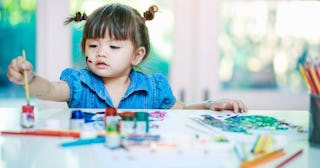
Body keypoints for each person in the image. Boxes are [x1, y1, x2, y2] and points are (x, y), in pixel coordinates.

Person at [7, 3, 247, 113]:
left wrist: (209, 105)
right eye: (93, 45)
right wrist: (30, 78)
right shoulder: (79, 83)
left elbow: (182, 111)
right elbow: (48, 90)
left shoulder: (153, 88)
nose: (101, 52)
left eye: (113, 46)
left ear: (137, 54)